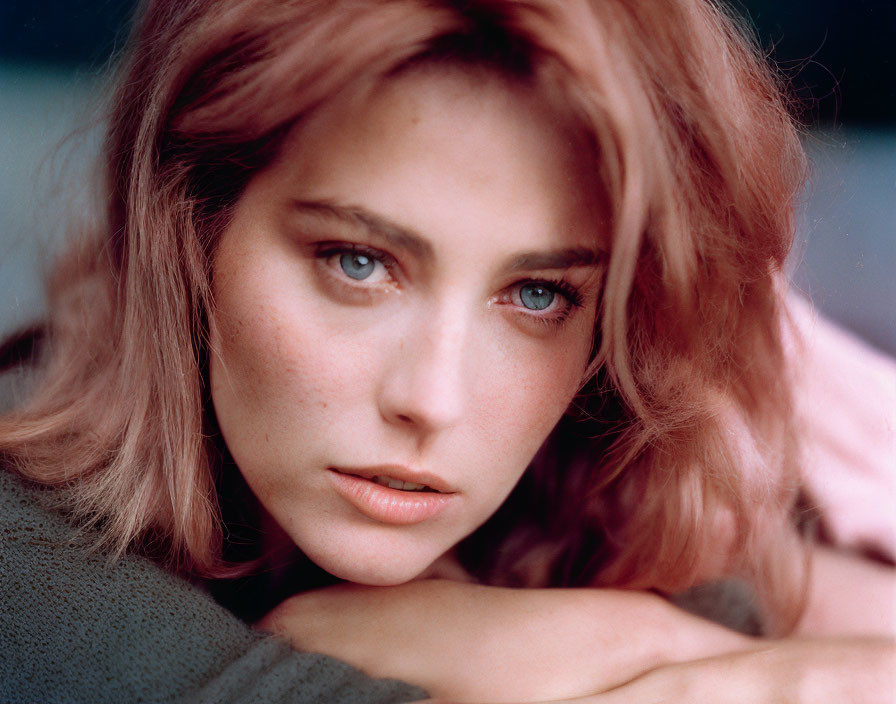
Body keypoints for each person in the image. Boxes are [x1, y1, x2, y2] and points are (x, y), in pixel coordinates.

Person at [0, 0, 893, 701]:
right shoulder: (25, 567)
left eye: (537, 294)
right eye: (358, 264)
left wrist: (620, 639)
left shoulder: (606, 475)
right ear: (193, 233)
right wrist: (730, 662)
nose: (433, 400)